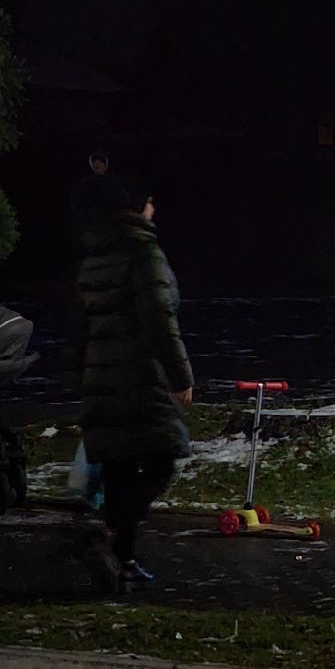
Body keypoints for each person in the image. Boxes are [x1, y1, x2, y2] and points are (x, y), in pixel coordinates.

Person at [76, 180, 193, 590]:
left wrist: (81, 380)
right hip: (140, 379)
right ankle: (112, 536)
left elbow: (81, 325)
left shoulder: (95, 255)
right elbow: (161, 319)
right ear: (140, 207)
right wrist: (181, 377)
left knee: (121, 468)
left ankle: (122, 558)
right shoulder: (144, 252)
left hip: (102, 378)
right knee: (163, 458)